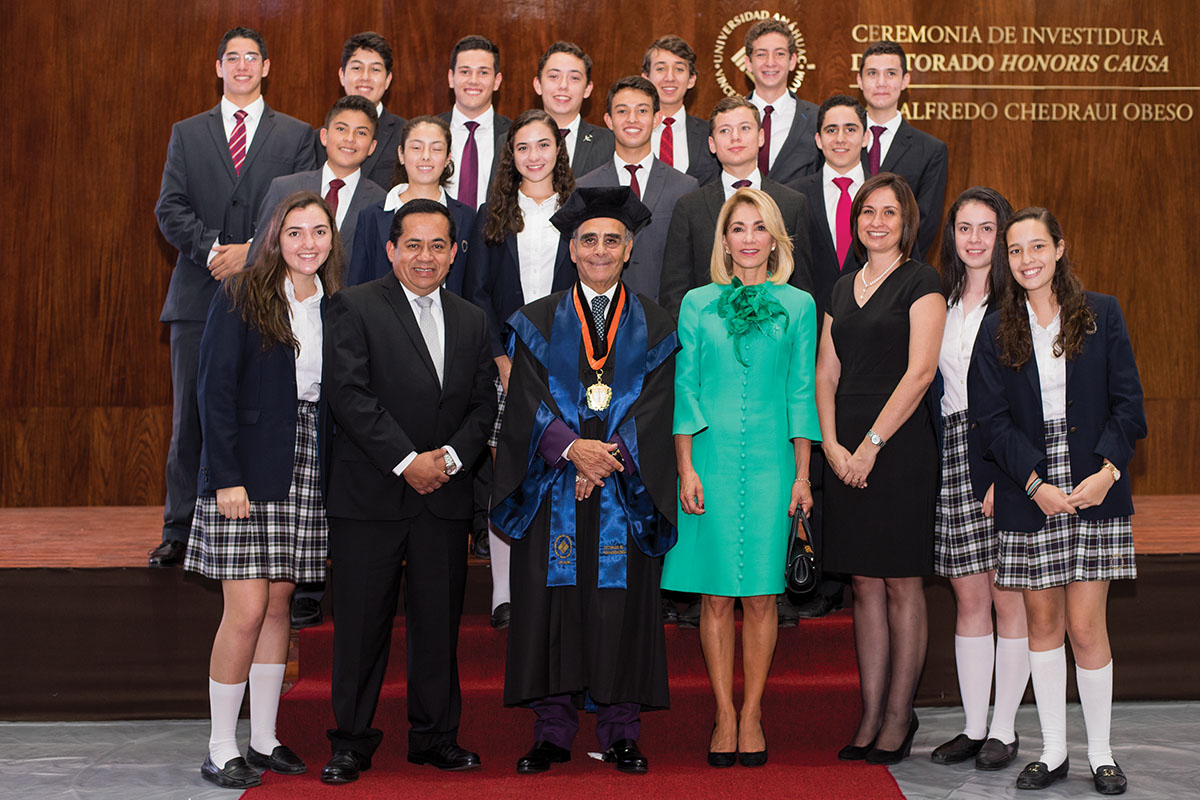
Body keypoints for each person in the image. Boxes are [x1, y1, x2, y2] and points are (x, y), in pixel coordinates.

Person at [491, 186, 678, 776]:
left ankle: (621, 730)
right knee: (554, 603)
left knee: (620, 606)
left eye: (612, 241)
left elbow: (659, 404)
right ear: (572, 249)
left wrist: (607, 458)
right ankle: (552, 730)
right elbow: (523, 401)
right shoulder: (539, 320)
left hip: (625, 484)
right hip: (553, 488)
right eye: (589, 240)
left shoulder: (656, 322)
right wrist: (572, 451)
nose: (600, 250)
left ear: (629, 250)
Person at [968, 207, 1146, 795]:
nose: (1027, 260)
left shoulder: (1101, 314)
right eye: (1015, 250)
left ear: (1060, 248)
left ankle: (1101, 754)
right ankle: (1051, 751)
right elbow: (991, 423)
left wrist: (1107, 472)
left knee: (1086, 626)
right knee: (1042, 624)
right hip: (1030, 486)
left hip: (1097, 478)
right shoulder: (995, 328)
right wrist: (1035, 486)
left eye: (1037, 247)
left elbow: (1128, 405)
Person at [320, 199, 496, 783]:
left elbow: (480, 405)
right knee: (361, 626)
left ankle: (434, 736)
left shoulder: (472, 318)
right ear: (392, 249)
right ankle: (350, 740)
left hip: (442, 495)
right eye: (413, 245)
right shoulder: (352, 305)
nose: (426, 257)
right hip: (370, 494)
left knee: (437, 626)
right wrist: (405, 461)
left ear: (453, 253)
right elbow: (349, 395)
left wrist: (444, 460)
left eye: (438, 246)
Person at [183, 190, 341, 789]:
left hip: (305, 460)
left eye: (319, 232)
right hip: (246, 467)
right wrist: (224, 477)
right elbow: (213, 391)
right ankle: (221, 744)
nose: (308, 243)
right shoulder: (243, 294)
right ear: (275, 237)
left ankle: (265, 736)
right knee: (246, 610)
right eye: (295, 232)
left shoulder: (337, 305)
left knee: (279, 607)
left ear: (332, 240)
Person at [663, 187, 819, 766]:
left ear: (775, 238)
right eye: (738, 228)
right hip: (709, 458)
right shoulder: (698, 303)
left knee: (760, 597)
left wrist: (804, 475)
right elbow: (685, 388)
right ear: (724, 242)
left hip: (776, 464)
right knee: (713, 597)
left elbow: (801, 393)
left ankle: (752, 711)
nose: (749, 238)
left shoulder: (799, 305)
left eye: (759, 228)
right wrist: (685, 468)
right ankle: (722, 714)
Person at [152, 26, 316, 568]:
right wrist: (214, 250)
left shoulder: (294, 133)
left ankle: (263, 521)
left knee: (259, 410)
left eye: (252, 58)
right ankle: (180, 526)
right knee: (192, 416)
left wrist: (253, 250)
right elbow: (169, 207)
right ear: (217, 66)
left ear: (267, 67)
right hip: (199, 295)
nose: (242, 65)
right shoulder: (187, 132)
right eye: (232, 58)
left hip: (273, 293)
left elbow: (301, 207)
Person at [815, 172, 944, 765]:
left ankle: (899, 715)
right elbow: (826, 374)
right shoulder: (841, 289)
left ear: (906, 221)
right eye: (868, 211)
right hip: (846, 451)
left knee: (900, 582)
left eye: (889, 212)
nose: (877, 222)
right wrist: (833, 445)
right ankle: (869, 713)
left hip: (898, 448)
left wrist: (868, 445)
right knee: (863, 583)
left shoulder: (923, 281)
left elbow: (920, 373)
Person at [929, 187, 1030, 772]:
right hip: (951, 448)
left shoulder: (1016, 304)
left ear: (1004, 234)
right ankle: (972, 726)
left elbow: (1021, 396)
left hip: (1001, 450)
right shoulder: (939, 298)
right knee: (968, 593)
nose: (974, 239)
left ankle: (1005, 729)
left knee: (1005, 593)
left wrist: (1000, 471)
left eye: (986, 228)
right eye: (964, 228)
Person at [463, 108, 577, 628]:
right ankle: (503, 595)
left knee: (562, 469)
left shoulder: (577, 210)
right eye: (523, 147)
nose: (534, 156)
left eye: (543, 145)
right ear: (511, 156)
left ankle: (558, 582)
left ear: (559, 150)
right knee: (507, 473)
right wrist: (502, 359)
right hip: (508, 360)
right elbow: (478, 295)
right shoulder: (493, 213)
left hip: (570, 359)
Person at [787, 94, 871, 620]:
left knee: (857, 445)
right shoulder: (794, 198)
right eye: (831, 130)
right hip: (808, 338)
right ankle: (816, 573)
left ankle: (854, 571)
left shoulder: (887, 196)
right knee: (816, 451)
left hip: (870, 345)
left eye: (850, 128)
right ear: (817, 139)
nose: (841, 137)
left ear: (866, 136)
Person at [659, 97, 813, 322]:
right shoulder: (689, 207)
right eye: (724, 130)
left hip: (776, 337)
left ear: (761, 137)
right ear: (711, 144)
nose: (735, 137)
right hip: (707, 339)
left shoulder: (791, 203)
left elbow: (802, 285)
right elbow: (674, 292)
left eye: (745, 128)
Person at [577, 75, 699, 301]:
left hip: (663, 319)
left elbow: (689, 266)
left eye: (642, 111)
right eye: (622, 111)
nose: (632, 119)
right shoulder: (585, 187)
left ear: (656, 119)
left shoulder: (685, 187)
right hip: (600, 317)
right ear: (609, 120)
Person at [248, 95, 386, 274]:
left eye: (361, 133)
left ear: (372, 147)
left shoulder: (381, 202)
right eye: (341, 129)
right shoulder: (284, 189)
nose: (350, 139)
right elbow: (257, 259)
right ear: (324, 136)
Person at [348, 115, 476, 295]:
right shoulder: (372, 217)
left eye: (436, 149)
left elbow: (472, 289)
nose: (426, 156)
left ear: (448, 157)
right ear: (401, 154)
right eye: (416, 147)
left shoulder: (467, 217)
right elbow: (357, 286)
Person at [856, 40, 948, 261]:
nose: (881, 83)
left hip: (901, 272)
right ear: (859, 81)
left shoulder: (930, 150)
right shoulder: (840, 141)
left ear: (905, 80)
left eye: (890, 74)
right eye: (872, 73)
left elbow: (924, 224)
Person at [317, 32, 406, 189]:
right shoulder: (316, 139)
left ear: (388, 80)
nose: (365, 77)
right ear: (342, 75)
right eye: (357, 68)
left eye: (375, 70)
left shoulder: (405, 135)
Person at [743, 20, 821, 187]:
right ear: (748, 63)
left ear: (792, 61)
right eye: (761, 54)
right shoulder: (729, 117)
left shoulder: (816, 118)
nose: (770, 62)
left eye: (779, 54)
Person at [440, 35, 512, 209]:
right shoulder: (428, 131)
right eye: (465, 72)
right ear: (451, 78)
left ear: (497, 81)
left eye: (483, 72)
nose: (473, 80)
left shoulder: (514, 135)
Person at [640, 35, 720, 186]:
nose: (670, 77)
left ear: (691, 79)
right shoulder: (629, 131)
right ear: (646, 78)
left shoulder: (711, 133)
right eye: (661, 68)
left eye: (679, 69)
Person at [533, 41, 615, 176]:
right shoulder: (512, 140)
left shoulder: (609, 143)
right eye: (554, 76)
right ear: (538, 85)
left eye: (574, 78)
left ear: (588, 89)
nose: (563, 85)